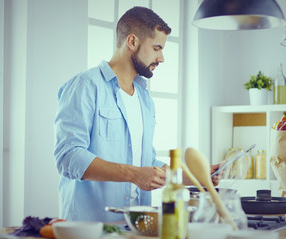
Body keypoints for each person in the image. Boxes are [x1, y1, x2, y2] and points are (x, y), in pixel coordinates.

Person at [54, 6, 220, 222]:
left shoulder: (143, 97)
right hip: (89, 227)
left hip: (135, 225)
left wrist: (199, 177)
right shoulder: (85, 86)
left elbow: (147, 163)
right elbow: (69, 157)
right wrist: (134, 174)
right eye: (157, 48)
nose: (162, 58)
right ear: (132, 42)